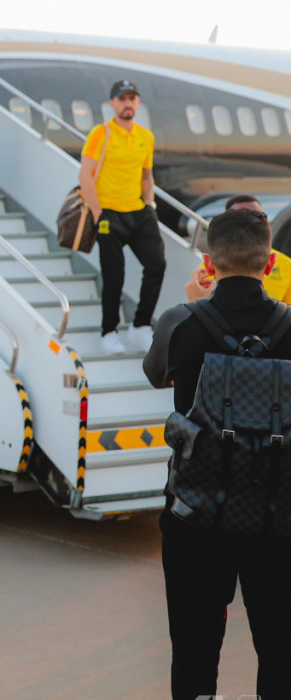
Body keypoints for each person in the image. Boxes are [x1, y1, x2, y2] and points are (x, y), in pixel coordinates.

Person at [143, 208, 291, 700]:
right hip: (280, 519)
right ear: (270, 263)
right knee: (281, 654)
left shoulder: (180, 322)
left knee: (194, 653)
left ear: (208, 261)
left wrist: (193, 304)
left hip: (196, 515)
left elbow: (155, 373)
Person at [79, 79, 166, 355]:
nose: (128, 103)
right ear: (112, 104)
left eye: (132, 98)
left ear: (137, 102)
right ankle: (109, 332)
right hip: (109, 213)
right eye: (122, 99)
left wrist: (149, 204)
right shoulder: (101, 133)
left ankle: (140, 326)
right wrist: (98, 213)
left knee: (157, 264)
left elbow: (146, 175)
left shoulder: (145, 136)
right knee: (114, 276)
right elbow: (85, 175)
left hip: (139, 212)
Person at [185, 193, 291, 303]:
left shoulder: (286, 266)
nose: (247, 223)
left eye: (256, 217)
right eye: (239, 218)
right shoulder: (205, 272)